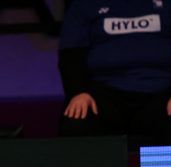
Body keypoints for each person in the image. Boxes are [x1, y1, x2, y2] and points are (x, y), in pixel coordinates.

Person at [58, 0, 171, 147]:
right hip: (103, 92)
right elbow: (71, 55)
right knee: (76, 121)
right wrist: (79, 92)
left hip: (161, 91)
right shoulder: (85, 4)